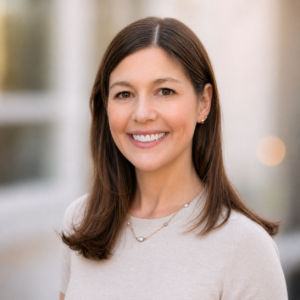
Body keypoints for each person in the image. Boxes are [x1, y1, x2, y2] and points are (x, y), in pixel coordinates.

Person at [59, 17, 288, 300]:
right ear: (105, 106)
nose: (142, 113)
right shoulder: (82, 220)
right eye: (124, 93)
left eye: (165, 91)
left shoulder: (245, 248)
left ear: (203, 103)